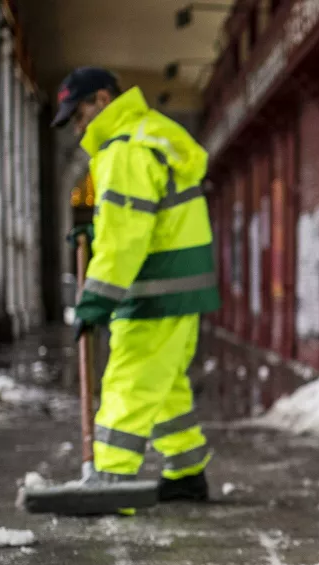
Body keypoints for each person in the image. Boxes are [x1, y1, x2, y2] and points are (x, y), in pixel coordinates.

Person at [52, 67, 220, 503]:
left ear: (102, 100)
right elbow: (136, 222)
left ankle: (109, 478)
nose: (77, 125)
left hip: (152, 290)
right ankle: (186, 471)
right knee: (163, 383)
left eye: (78, 113)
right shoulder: (151, 134)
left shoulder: (125, 149)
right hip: (175, 289)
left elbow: (126, 238)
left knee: (130, 381)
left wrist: (94, 299)